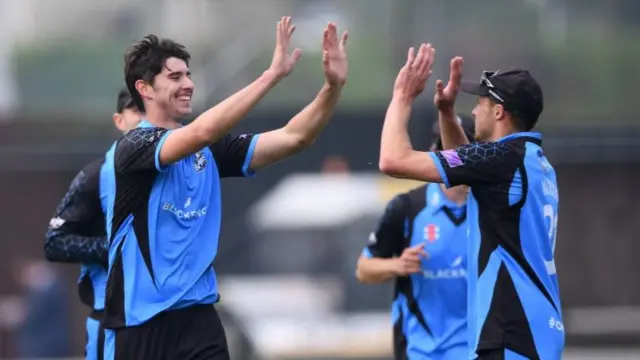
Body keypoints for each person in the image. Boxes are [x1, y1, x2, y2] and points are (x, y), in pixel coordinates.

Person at [102, 17, 348, 360]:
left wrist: (332, 88)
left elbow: (296, 137)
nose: (188, 84)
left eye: (188, 75)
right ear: (145, 89)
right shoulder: (135, 145)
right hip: (141, 323)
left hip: (199, 318)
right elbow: (201, 132)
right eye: (175, 77)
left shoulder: (210, 151)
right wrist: (271, 75)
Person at [379, 44, 563, 360]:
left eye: (480, 102)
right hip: (537, 330)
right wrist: (447, 113)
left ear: (498, 111)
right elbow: (467, 174)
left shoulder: (502, 159)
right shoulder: (535, 162)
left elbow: (392, 160)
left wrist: (401, 97)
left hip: (510, 330)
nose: (475, 111)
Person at [356, 117, 475, 360]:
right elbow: (364, 270)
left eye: (462, 150)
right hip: (421, 351)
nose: (454, 160)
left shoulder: (493, 208)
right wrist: (397, 265)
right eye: (446, 151)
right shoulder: (406, 208)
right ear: (433, 153)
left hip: (478, 351)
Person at [44, 88, 142, 360]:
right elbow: (55, 242)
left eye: (151, 109)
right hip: (113, 319)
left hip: (172, 320)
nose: (145, 118)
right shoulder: (97, 175)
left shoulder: (180, 172)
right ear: (119, 120)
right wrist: (114, 248)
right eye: (136, 109)